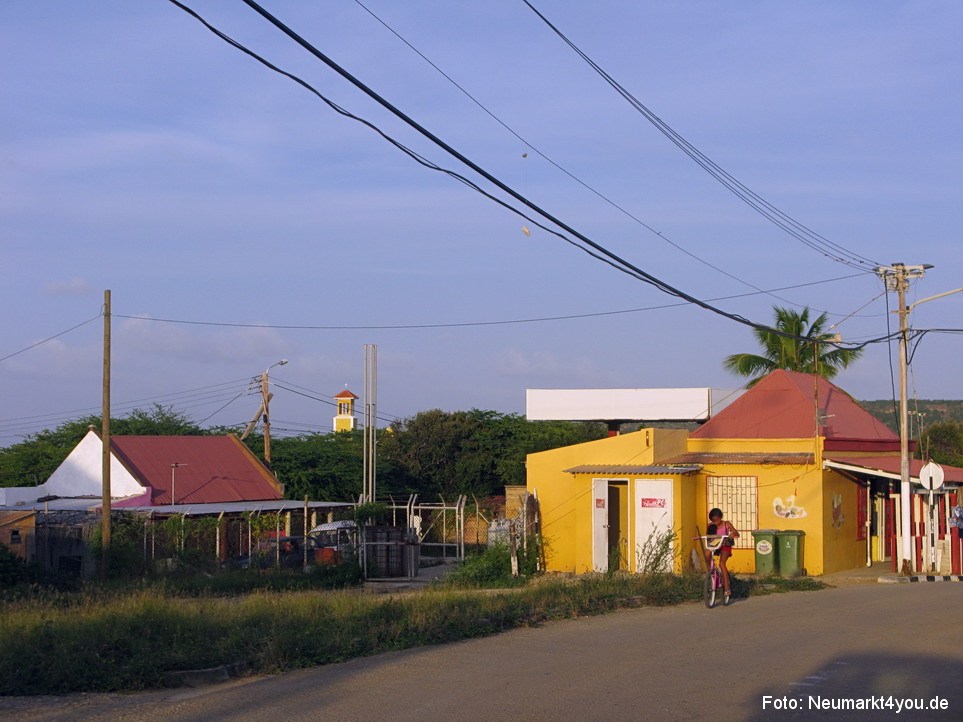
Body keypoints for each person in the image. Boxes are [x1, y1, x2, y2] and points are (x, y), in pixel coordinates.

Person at [705, 507, 739, 600]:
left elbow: (737, 534)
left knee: (722, 563)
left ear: (721, 517)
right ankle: (712, 570)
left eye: (717, 520)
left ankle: (727, 588)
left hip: (725, 546)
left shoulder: (727, 524)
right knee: (707, 554)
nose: (715, 523)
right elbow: (709, 537)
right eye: (713, 521)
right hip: (716, 545)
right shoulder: (710, 526)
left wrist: (732, 535)